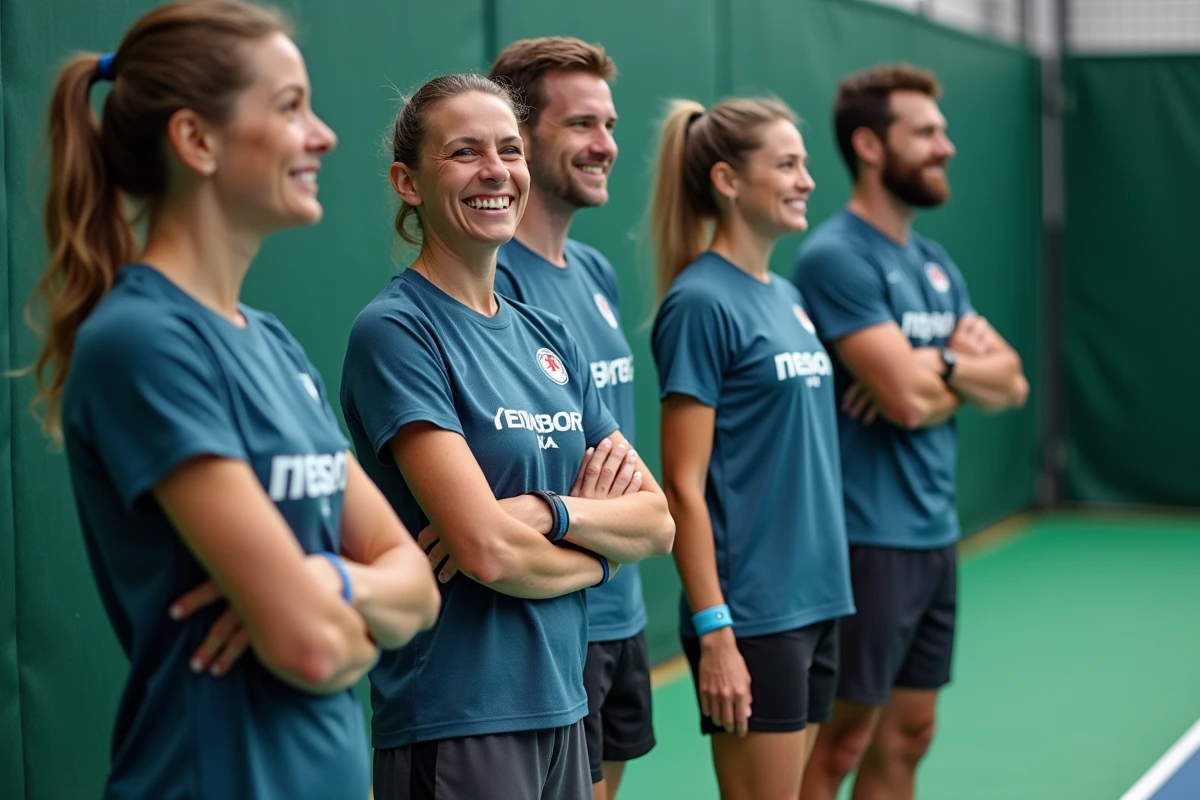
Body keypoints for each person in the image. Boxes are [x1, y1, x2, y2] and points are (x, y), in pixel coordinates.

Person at [24, 2, 441, 798]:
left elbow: (417, 589)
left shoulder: (272, 342)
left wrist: (324, 582)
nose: (324, 135)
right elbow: (312, 649)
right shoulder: (143, 342)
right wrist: (341, 609)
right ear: (197, 140)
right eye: (290, 107)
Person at [339, 73, 674, 800]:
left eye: (510, 150)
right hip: (457, 718)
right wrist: (600, 559)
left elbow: (656, 522)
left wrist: (548, 514)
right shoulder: (397, 332)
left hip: (563, 703)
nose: (495, 171)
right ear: (408, 183)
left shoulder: (548, 334)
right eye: (465, 152)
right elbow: (486, 551)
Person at [793, 64, 1029, 800]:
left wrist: (942, 364)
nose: (945, 147)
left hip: (934, 535)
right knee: (838, 744)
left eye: (943, 132)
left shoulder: (934, 264)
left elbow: (1013, 382)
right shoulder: (837, 256)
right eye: (926, 133)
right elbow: (904, 401)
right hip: (866, 539)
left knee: (911, 733)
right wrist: (949, 373)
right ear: (870, 145)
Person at [648, 96, 856, 800]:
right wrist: (715, 631)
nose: (807, 180)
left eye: (805, 164)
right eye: (788, 164)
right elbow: (682, 485)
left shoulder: (789, 296)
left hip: (818, 599)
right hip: (752, 616)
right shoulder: (700, 303)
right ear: (728, 181)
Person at [486, 37, 653, 800]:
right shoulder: (491, 285)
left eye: (609, 125)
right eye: (581, 124)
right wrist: (579, 518)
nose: (605, 145)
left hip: (623, 607)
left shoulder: (595, 273)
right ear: (518, 138)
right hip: (552, 620)